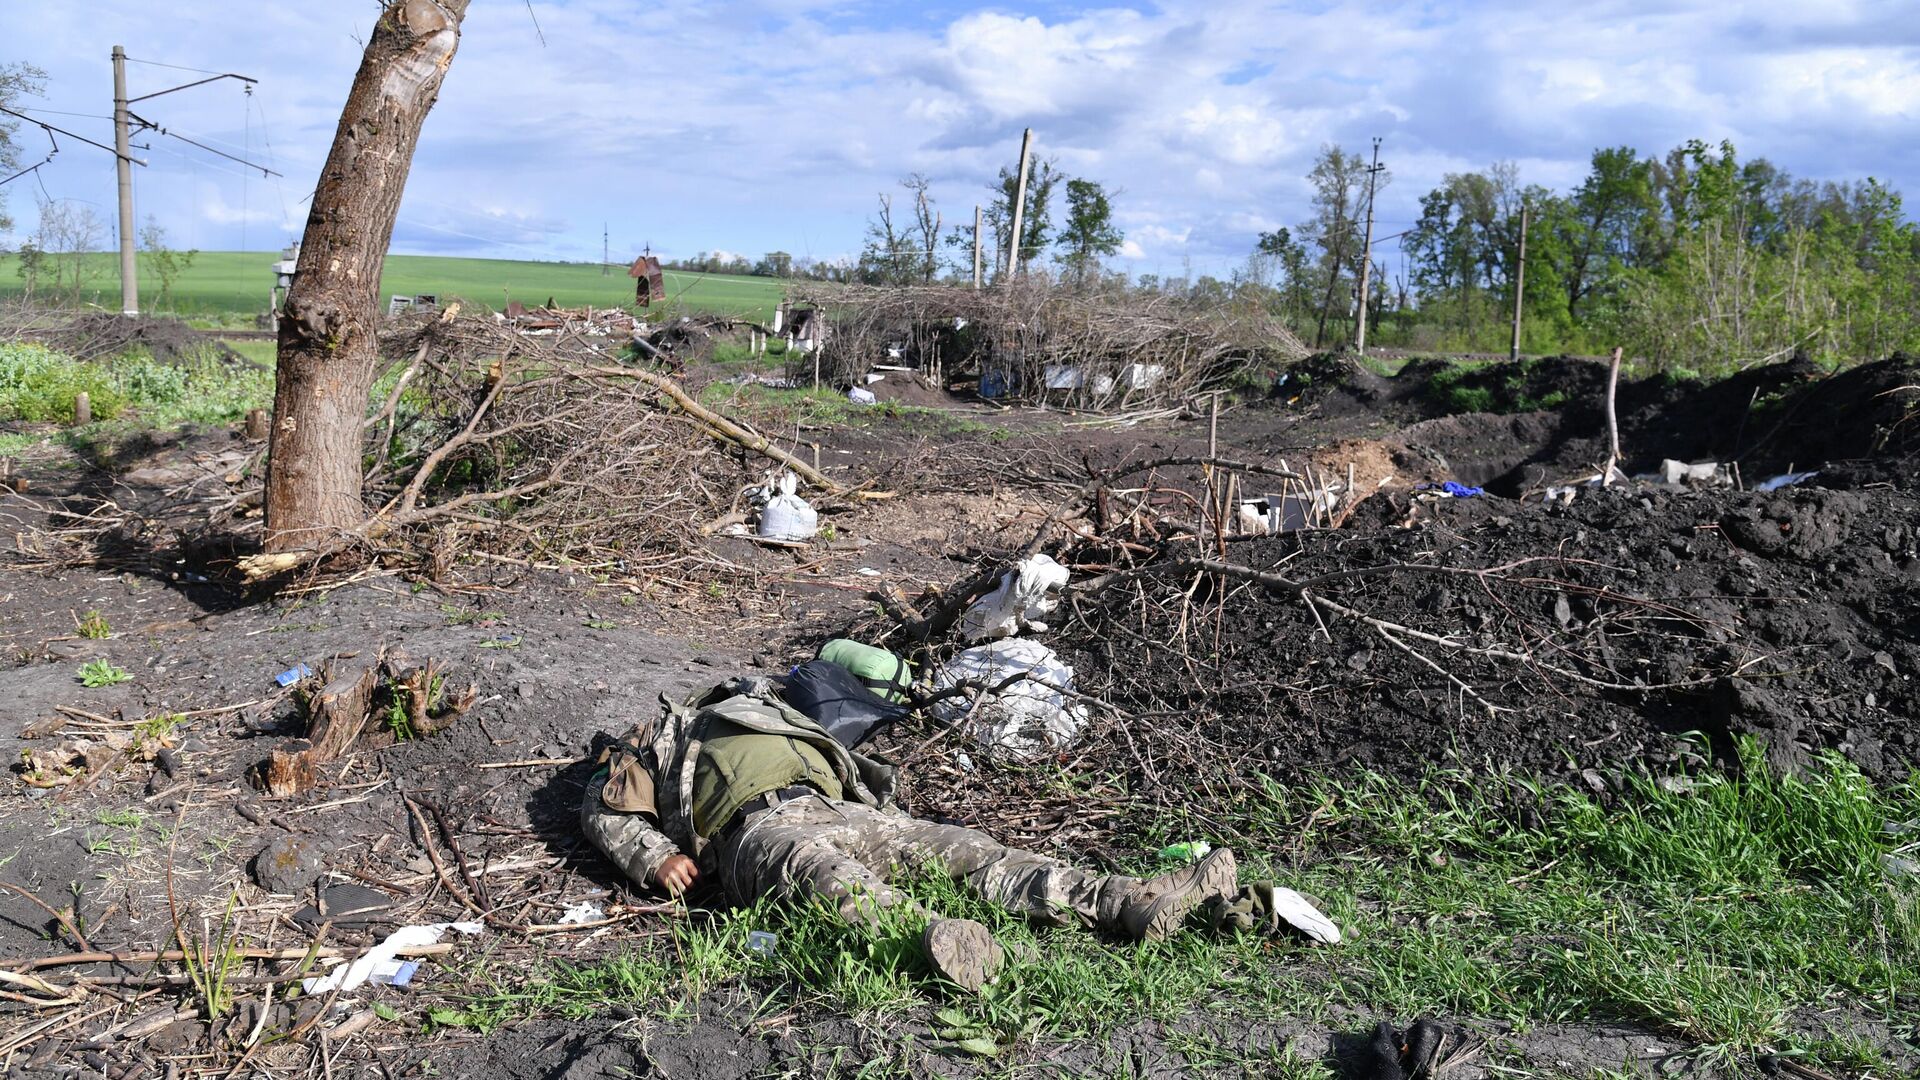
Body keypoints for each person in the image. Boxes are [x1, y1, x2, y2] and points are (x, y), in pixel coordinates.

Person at [581, 676, 1249, 991]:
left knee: (970, 851)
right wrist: (657, 856)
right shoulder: (667, 735)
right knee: (825, 878)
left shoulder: (776, 710)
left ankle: (1124, 899)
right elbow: (604, 807)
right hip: (755, 831)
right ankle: (925, 939)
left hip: (850, 813)